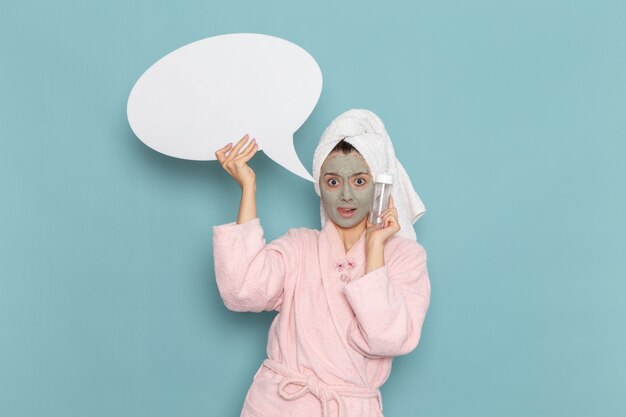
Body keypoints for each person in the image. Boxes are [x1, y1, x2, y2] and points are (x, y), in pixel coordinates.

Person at [212, 109, 431, 417]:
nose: (345, 195)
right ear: (319, 186)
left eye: (359, 180)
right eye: (332, 181)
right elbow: (243, 290)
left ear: (380, 186)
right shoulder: (299, 246)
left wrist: (376, 247)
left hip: (349, 408)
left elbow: (386, 339)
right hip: (279, 406)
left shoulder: (405, 257)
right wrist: (248, 188)